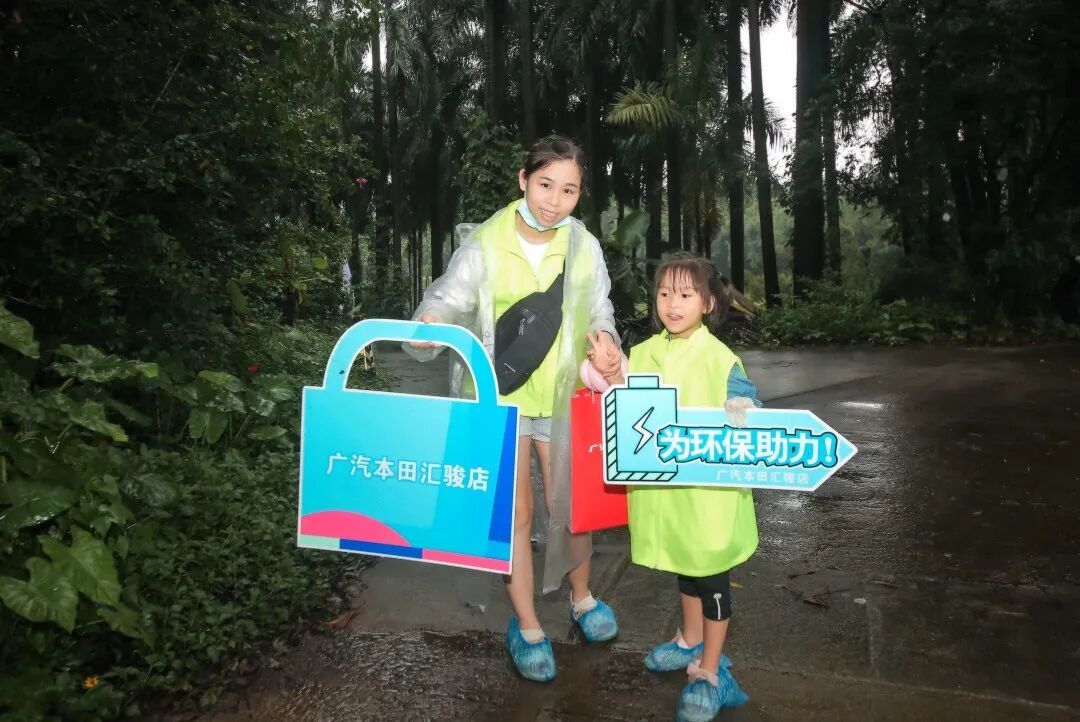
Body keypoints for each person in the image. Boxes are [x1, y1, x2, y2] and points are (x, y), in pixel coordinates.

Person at [404, 135, 622, 683]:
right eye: (545, 184)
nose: (554, 200)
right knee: (515, 513)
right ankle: (527, 625)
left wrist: (605, 341)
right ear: (523, 179)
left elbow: (599, 309)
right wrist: (431, 325)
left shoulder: (584, 246)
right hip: (498, 399)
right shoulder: (485, 243)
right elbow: (446, 302)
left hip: (563, 395)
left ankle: (582, 598)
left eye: (568, 190)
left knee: (570, 505)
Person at [581, 253, 760, 722]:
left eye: (684, 294)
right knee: (686, 568)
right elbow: (627, 396)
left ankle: (711, 673)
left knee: (711, 576)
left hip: (708, 499)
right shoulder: (646, 352)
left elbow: (746, 401)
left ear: (708, 303)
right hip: (669, 494)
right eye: (664, 293)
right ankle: (689, 640)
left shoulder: (720, 358)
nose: (672, 304)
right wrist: (611, 372)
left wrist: (742, 409)